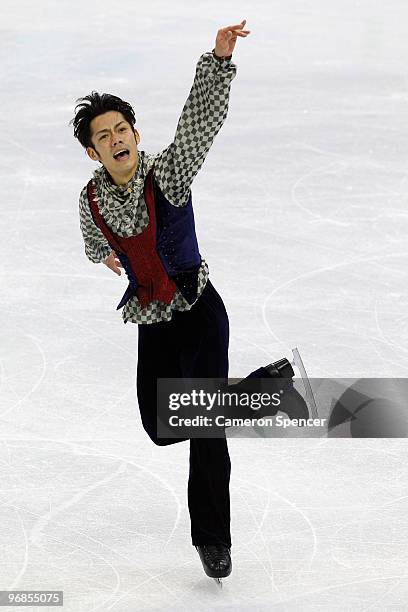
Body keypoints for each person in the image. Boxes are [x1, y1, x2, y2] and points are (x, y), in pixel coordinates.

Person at [71, 19, 308, 583]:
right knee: (160, 425)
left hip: (199, 312)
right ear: (92, 151)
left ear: (134, 131)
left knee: (204, 432)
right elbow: (93, 243)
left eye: (122, 128)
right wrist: (108, 258)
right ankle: (258, 392)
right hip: (152, 321)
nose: (117, 138)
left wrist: (218, 61)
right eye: (104, 136)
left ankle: (214, 542)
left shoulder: (167, 175)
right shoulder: (90, 202)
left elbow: (200, 124)